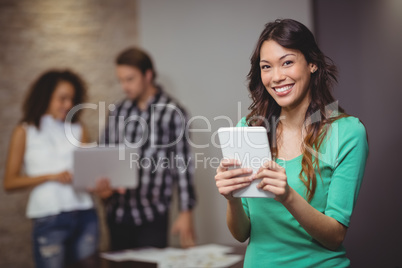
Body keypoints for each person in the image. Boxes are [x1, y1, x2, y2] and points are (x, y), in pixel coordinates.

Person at [214, 19, 369, 267]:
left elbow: (334, 236)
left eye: (287, 62)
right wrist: (232, 198)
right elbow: (242, 233)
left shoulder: (348, 132)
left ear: (312, 63)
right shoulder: (249, 128)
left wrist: (287, 196)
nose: (276, 77)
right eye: (266, 67)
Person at [93, 47, 196, 250]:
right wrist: (102, 186)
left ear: (148, 75)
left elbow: (182, 166)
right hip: (117, 214)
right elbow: (102, 154)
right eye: (121, 80)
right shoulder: (117, 111)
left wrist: (186, 213)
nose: (124, 86)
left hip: (153, 215)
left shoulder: (173, 112)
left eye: (129, 79)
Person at [3, 70, 99, 267]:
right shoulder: (25, 131)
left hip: (84, 214)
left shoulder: (78, 129)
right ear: (45, 96)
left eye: (71, 99)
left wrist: (99, 183)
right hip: (49, 217)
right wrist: (50, 176)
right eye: (62, 98)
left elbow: (88, 175)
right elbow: (10, 182)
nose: (68, 105)